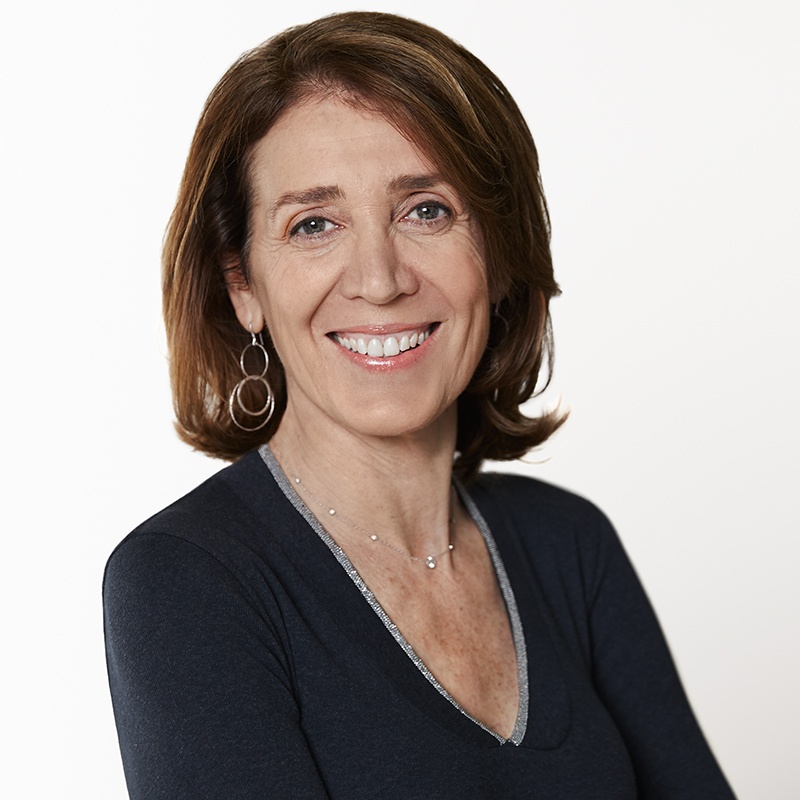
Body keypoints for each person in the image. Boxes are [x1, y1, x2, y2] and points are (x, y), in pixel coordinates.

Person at [103, 11, 736, 799]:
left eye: (426, 210)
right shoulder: (189, 581)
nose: (380, 279)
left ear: (499, 252)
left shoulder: (571, 547)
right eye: (314, 224)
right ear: (243, 286)